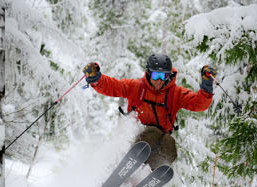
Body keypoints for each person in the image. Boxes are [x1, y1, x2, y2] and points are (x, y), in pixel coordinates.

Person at [83, 52, 214, 172]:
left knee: (169, 143)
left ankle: (147, 176)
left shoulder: (175, 93)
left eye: (163, 76)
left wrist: (206, 87)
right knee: (152, 133)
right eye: (156, 75)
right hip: (137, 133)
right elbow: (113, 86)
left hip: (160, 139)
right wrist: (96, 79)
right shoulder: (136, 87)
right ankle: (126, 168)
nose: (159, 80)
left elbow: (198, 104)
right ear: (149, 73)